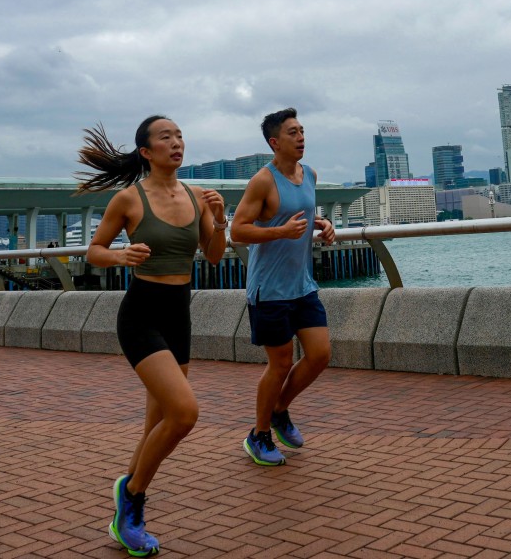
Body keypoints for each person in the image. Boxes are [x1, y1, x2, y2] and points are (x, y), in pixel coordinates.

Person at [78, 115, 227, 556]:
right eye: (166, 137)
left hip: (179, 314)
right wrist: (121, 255)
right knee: (184, 414)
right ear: (147, 152)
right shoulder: (129, 198)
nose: (177, 142)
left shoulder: (199, 196)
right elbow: (94, 252)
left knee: (155, 426)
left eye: (180, 135)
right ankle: (132, 495)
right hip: (141, 314)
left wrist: (219, 219)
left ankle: (125, 520)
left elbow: (215, 256)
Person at [230, 108, 336, 466]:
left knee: (320, 355)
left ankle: (279, 409)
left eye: (302, 130)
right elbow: (238, 230)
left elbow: (300, 213)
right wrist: (279, 231)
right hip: (269, 288)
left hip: (302, 285)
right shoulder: (263, 180)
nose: (301, 137)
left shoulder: (310, 175)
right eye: (293, 132)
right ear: (275, 142)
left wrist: (322, 223)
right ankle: (258, 435)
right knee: (280, 364)